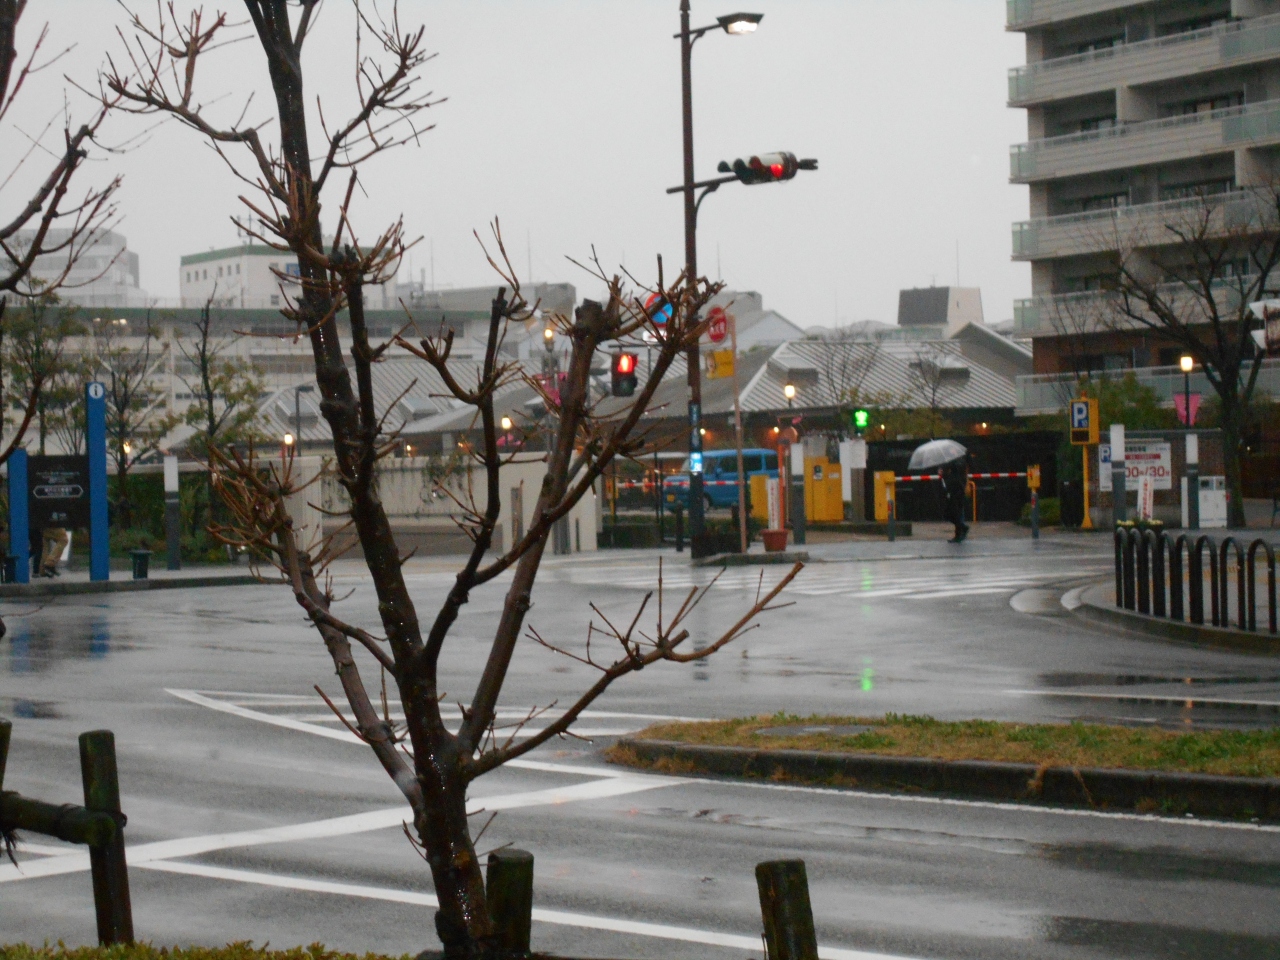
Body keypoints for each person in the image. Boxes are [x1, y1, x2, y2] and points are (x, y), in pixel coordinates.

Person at [939, 459, 969, 543]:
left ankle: (960, 530)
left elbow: (951, 474)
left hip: (956, 490)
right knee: (952, 513)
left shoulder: (956, 462)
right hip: (954, 489)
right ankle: (961, 528)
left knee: (954, 512)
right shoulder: (955, 462)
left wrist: (943, 472)